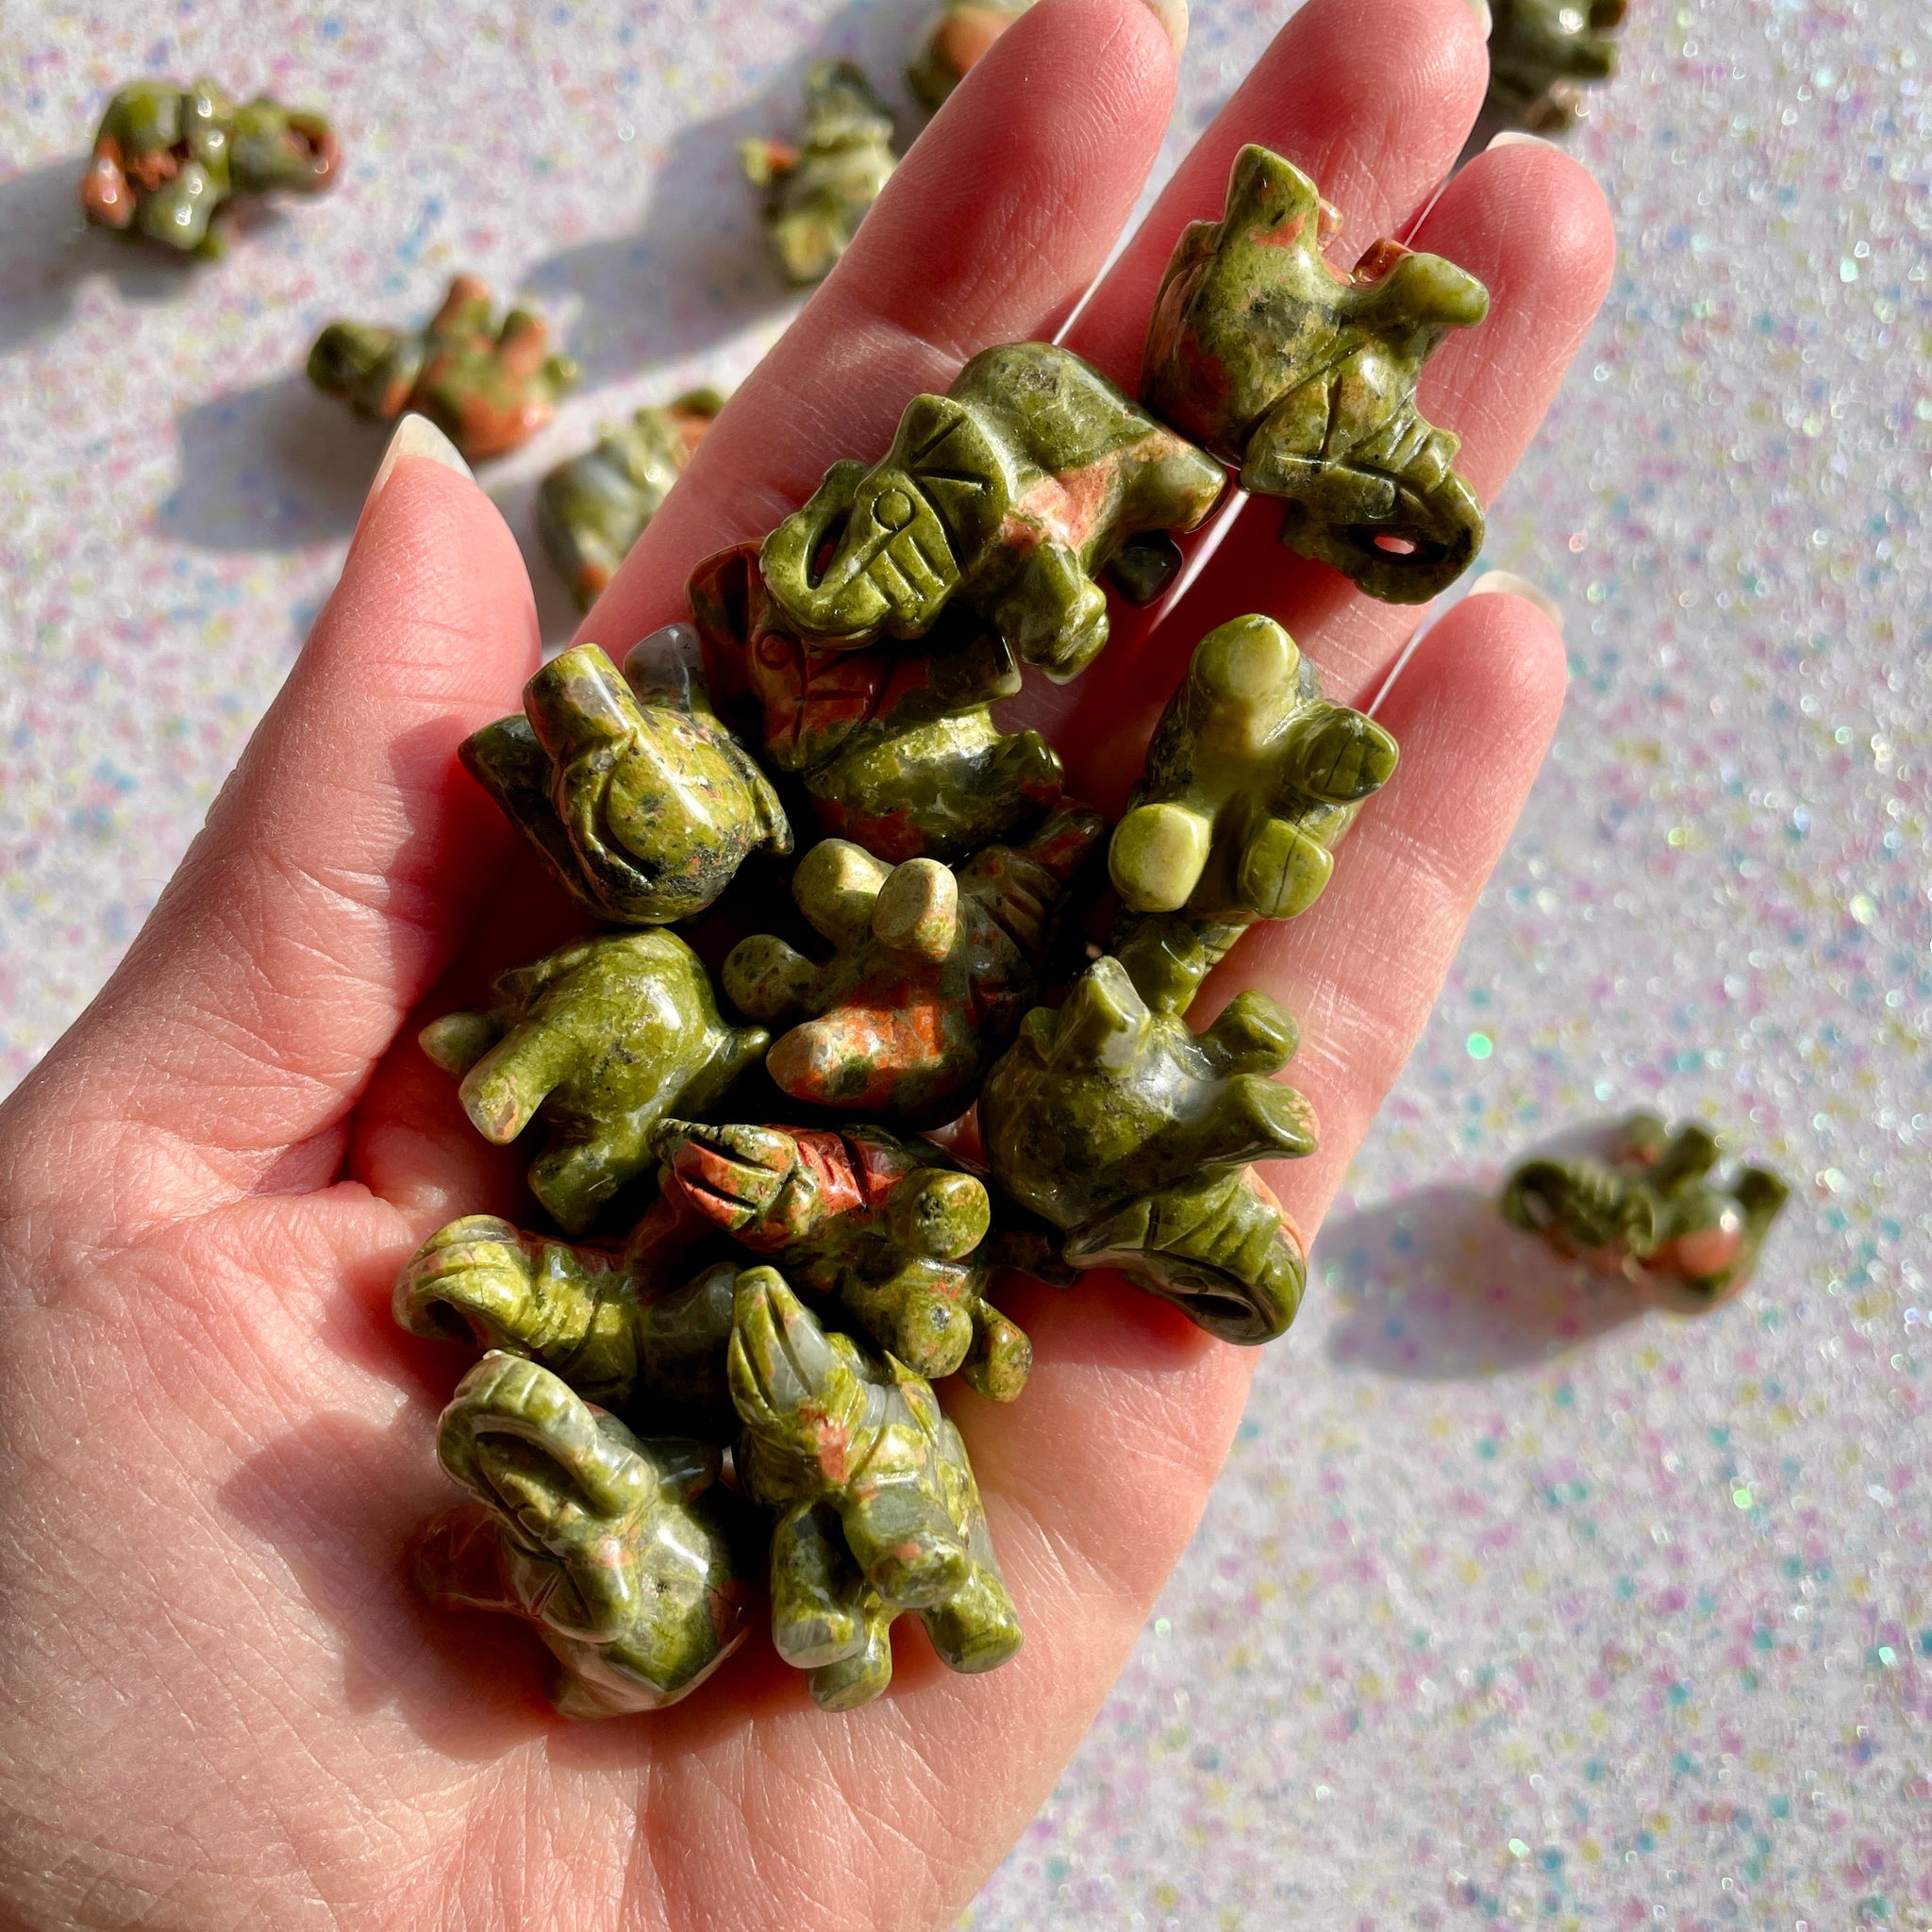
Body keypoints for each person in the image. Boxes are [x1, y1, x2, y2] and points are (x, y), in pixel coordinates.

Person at [0, 0, 1611, 1924]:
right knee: (652, 1080)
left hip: (884, 1053)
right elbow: (701, 1297)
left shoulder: (801, 1228)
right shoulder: (736, 1204)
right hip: (810, 1063)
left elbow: (761, 1284)